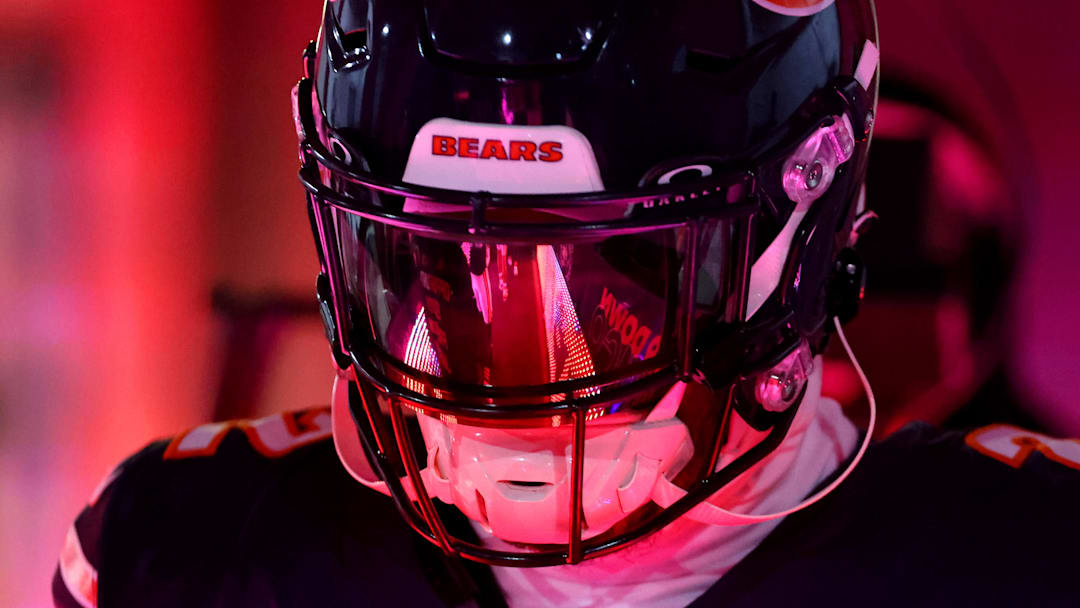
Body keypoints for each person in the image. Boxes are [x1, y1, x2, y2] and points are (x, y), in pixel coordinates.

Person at [53, 1, 1080, 606]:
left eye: (607, 277)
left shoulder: (1027, 559)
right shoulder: (184, 556)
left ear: (802, 227)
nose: (512, 342)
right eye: (439, 267)